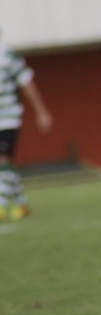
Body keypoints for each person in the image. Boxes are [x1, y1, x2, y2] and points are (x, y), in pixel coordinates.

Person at [0, 34, 52, 220]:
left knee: (3, 160)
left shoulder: (8, 56)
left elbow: (27, 83)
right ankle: (21, 205)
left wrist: (41, 111)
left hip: (8, 117)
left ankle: (2, 205)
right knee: (5, 165)